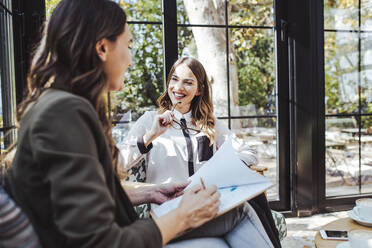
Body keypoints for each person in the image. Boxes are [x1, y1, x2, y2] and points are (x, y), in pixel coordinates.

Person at [5, 1, 223, 247]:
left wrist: (149, 192)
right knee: (240, 213)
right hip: (126, 236)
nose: (130, 61)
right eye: (128, 46)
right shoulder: (63, 113)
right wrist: (183, 216)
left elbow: (79, 200)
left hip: (130, 224)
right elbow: (101, 241)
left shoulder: (60, 106)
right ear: (102, 48)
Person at [118, 57, 281, 247]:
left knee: (254, 198)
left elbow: (247, 152)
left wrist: (221, 168)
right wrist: (149, 136)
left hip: (205, 206)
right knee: (247, 210)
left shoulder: (209, 123)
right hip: (170, 213)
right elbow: (118, 162)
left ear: (199, 90)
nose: (178, 87)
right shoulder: (149, 120)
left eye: (188, 82)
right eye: (174, 79)